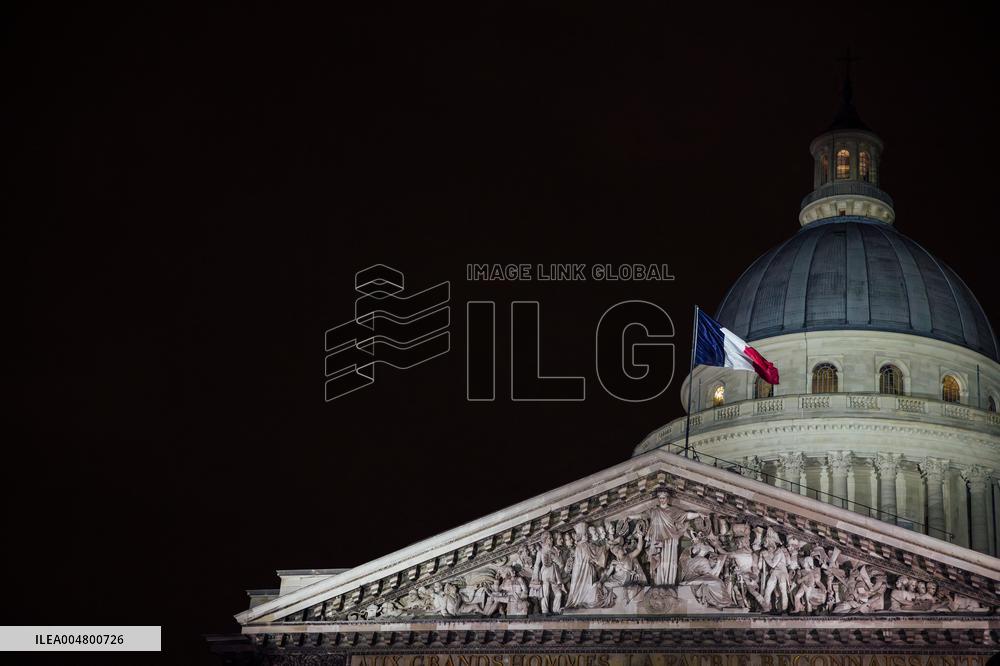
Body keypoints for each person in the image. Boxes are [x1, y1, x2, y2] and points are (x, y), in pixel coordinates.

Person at [646, 492, 704, 586]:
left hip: (670, 541)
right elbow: (642, 516)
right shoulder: (654, 511)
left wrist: (698, 514)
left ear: (668, 499)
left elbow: (686, 515)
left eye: (664, 498)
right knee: (659, 562)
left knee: (669, 562)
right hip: (657, 540)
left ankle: (669, 583)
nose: (662, 500)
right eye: (660, 498)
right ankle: (658, 582)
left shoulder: (673, 511)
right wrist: (628, 516)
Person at [565, 522, 612, 609]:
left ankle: (580, 600)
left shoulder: (579, 546)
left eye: (586, 533)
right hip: (587, 571)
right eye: (585, 533)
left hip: (581, 572)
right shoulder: (585, 545)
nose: (587, 535)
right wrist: (607, 546)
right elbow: (596, 554)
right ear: (581, 535)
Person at [531, 531, 566, 614]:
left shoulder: (555, 550)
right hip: (545, 574)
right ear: (545, 540)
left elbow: (561, 563)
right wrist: (535, 577)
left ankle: (556, 610)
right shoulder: (540, 551)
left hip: (554, 574)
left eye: (551, 538)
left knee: (559, 594)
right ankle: (545, 611)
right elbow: (536, 565)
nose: (552, 539)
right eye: (550, 538)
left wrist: (554, 558)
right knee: (545, 593)